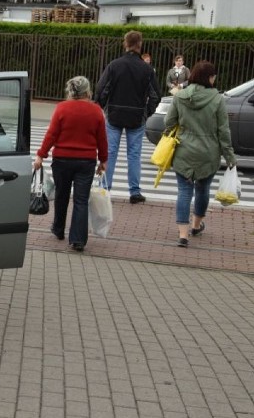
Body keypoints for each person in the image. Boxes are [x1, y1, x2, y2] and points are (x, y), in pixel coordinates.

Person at [164, 60, 236, 248]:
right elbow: (224, 130)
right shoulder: (217, 99)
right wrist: (229, 156)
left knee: (184, 191)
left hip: (184, 151)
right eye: (213, 76)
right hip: (208, 152)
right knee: (203, 189)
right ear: (210, 77)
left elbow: (168, 121)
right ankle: (196, 225)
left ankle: (183, 235)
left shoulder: (180, 96)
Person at [34, 76, 108, 252]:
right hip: (86, 161)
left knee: (62, 195)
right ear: (88, 91)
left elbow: (51, 135)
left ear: (71, 91)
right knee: (81, 200)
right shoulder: (96, 111)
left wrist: (40, 155)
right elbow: (102, 139)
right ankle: (78, 240)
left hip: (62, 160)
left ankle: (58, 229)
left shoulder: (62, 108)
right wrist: (103, 160)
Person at [94, 30, 161, 204]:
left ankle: (105, 188)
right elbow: (155, 95)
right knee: (134, 154)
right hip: (137, 115)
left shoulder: (114, 65)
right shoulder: (147, 69)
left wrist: (104, 106)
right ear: (140, 45)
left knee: (110, 153)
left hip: (115, 113)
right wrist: (147, 112)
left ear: (125, 44)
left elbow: (102, 89)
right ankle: (134, 191)